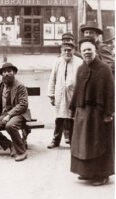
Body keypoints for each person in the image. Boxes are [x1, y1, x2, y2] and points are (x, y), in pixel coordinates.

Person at [69, 37, 114, 186]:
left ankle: (102, 175)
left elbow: (110, 92)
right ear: (80, 53)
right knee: (83, 143)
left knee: (98, 144)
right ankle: (87, 172)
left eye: (89, 49)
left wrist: (109, 113)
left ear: (95, 50)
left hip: (98, 114)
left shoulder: (104, 69)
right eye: (84, 50)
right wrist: (73, 109)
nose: (86, 52)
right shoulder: (81, 68)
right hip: (82, 112)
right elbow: (77, 91)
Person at [0, 62, 31, 162]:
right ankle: (10, 145)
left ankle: (22, 151)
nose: (7, 74)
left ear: (14, 72)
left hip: (19, 113)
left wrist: (9, 114)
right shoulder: (1, 84)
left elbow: (23, 104)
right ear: (2, 74)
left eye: (9, 71)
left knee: (10, 126)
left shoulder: (20, 86)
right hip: (4, 114)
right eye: (4, 72)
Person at [47, 42, 82, 148]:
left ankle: (72, 141)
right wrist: (51, 95)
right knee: (59, 118)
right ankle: (55, 140)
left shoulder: (79, 62)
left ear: (74, 50)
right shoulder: (58, 62)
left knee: (71, 118)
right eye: (65, 50)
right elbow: (52, 78)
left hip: (73, 95)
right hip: (60, 94)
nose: (67, 52)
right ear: (61, 51)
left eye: (69, 50)